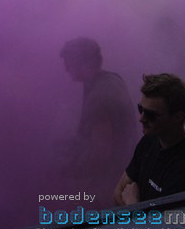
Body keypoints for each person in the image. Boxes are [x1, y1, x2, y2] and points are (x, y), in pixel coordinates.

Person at [57, 38, 136, 202]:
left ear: (83, 62)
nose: (66, 69)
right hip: (127, 171)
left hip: (111, 183)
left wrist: (70, 172)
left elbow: (101, 154)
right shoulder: (113, 79)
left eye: (69, 63)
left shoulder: (99, 98)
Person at [113, 72, 185, 206]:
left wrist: (132, 204)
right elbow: (118, 192)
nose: (141, 118)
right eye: (140, 109)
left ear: (177, 117)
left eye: (151, 114)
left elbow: (166, 227)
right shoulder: (149, 141)